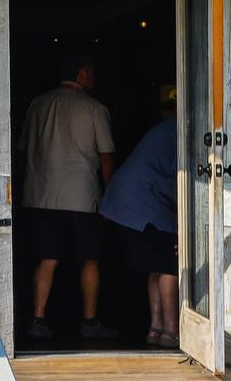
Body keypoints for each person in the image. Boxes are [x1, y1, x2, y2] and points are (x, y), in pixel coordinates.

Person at [16, 49, 117, 341]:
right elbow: (107, 156)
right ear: (82, 73)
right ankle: (89, 322)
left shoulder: (37, 105)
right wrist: (110, 195)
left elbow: (21, 151)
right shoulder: (94, 108)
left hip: (40, 195)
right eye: (92, 72)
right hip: (82, 195)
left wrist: (24, 184)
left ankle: (38, 319)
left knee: (47, 258)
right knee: (90, 259)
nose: (94, 78)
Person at [98, 113, 179, 348]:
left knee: (156, 267)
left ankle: (156, 329)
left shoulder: (167, 127)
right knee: (170, 265)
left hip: (128, 198)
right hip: (144, 200)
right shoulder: (184, 130)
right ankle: (172, 331)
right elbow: (184, 179)